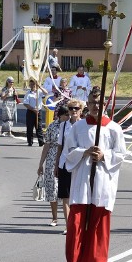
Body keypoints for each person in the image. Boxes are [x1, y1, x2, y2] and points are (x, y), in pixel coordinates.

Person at [63, 87, 126, 262]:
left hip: (102, 179)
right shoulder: (78, 127)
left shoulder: (114, 128)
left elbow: (121, 154)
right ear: (87, 104)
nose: (95, 106)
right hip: (82, 178)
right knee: (76, 221)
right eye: (91, 102)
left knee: (99, 221)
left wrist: (104, 155)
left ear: (104, 104)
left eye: (98, 103)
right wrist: (85, 152)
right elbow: (68, 152)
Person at [55, 98, 85, 235]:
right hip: (65, 163)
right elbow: (60, 146)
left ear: (81, 110)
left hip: (79, 164)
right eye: (71, 108)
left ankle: (79, 224)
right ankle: (69, 226)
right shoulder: (64, 125)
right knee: (65, 196)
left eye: (76, 108)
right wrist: (56, 165)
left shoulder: (85, 125)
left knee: (78, 195)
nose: (73, 111)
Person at [38, 105, 68, 227]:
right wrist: (41, 164)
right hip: (52, 158)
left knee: (66, 190)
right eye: (66, 114)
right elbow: (47, 145)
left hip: (66, 157)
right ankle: (54, 217)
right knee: (52, 188)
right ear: (60, 115)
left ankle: (68, 220)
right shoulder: (52, 126)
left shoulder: (72, 126)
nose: (68, 116)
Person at [23, 78, 47, 146]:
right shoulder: (28, 93)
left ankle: (41, 141)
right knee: (30, 127)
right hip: (31, 112)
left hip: (38, 112)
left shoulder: (39, 92)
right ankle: (30, 141)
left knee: (39, 127)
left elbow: (46, 93)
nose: (32, 85)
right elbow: (25, 103)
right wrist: (33, 109)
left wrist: (40, 86)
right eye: (31, 84)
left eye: (33, 84)